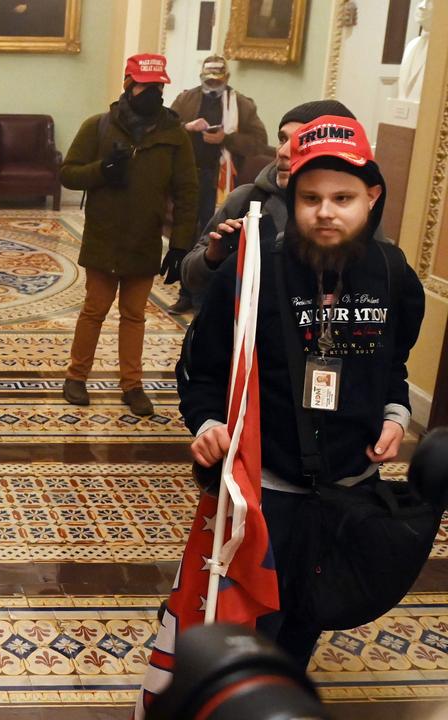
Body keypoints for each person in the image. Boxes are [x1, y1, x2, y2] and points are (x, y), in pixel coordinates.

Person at [180, 115, 425, 666]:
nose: (326, 211)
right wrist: (207, 424)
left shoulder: (393, 275)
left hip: (349, 489)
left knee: (305, 620)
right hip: (264, 494)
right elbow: (203, 369)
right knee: (245, 629)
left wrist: (394, 411)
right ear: (294, 195)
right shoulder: (252, 269)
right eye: (311, 197)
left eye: (344, 197)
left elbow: (393, 363)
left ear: (372, 196)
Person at [59, 54, 197, 416]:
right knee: (94, 310)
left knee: (134, 315)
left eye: (158, 87)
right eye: (144, 86)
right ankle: (76, 376)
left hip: (145, 240)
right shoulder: (98, 126)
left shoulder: (174, 135)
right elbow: (69, 174)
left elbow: (187, 191)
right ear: (127, 85)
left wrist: (182, 243)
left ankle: (132, 385)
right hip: (104, 237)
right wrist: (102, 170)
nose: (152, 93)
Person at [179, 100, 358, 311]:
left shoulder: (356, 214)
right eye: (282, 139)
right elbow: (191, 277)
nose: (282, 151)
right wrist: (212, 257)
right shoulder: (246, 200)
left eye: (300, 141)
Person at [167, 55, 268, 313]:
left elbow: (258, 141)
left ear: (227, 79)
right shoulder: (186, 98)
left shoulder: (242, 104)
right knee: (188, 231)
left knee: (212, 234)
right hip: (190, 175)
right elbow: (166, 128)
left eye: (217, 80)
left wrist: (227, 139)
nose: (212, 84)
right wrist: (186, 127)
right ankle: (185, 291)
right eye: (208, 79)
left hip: (223, 178)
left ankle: (207, 296)